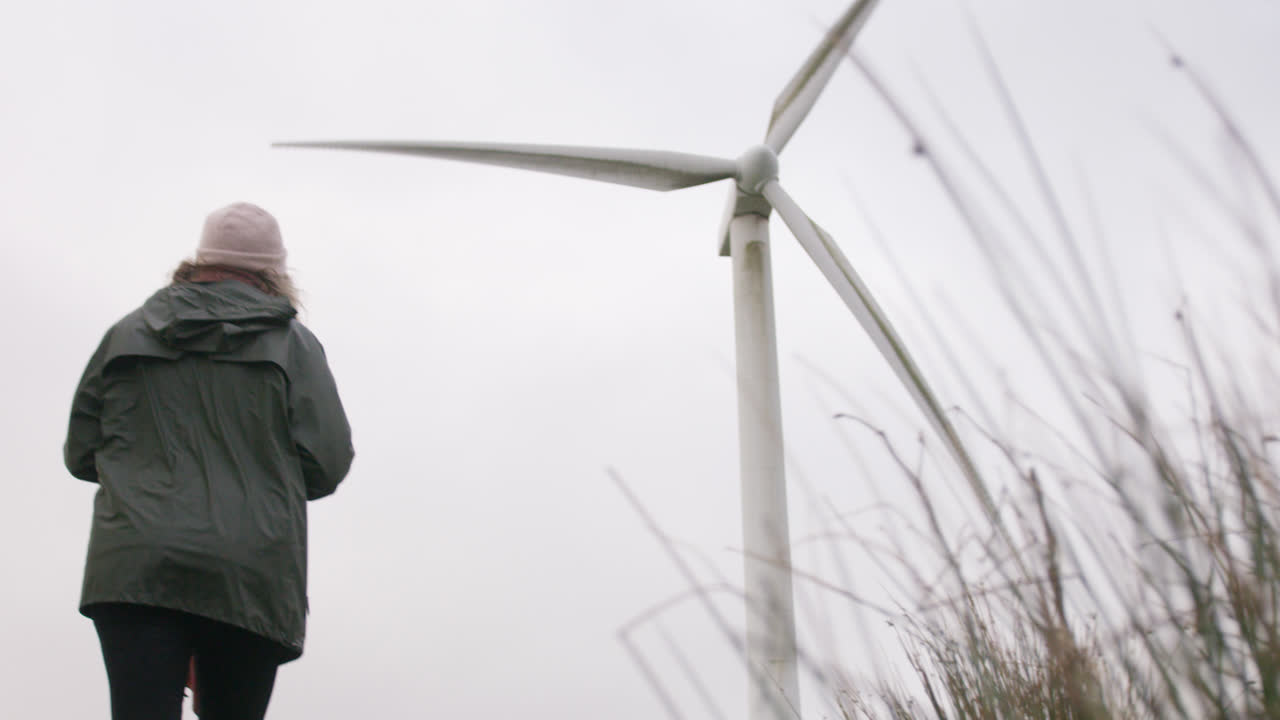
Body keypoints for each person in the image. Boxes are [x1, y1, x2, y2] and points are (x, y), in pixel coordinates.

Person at [64, 202, 355, 720]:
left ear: (199, 260)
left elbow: (82, 452)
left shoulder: (128, 332)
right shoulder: (295, 346)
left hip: (136, 563)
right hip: (247, 569)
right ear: (274, 271)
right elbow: (327, 463)